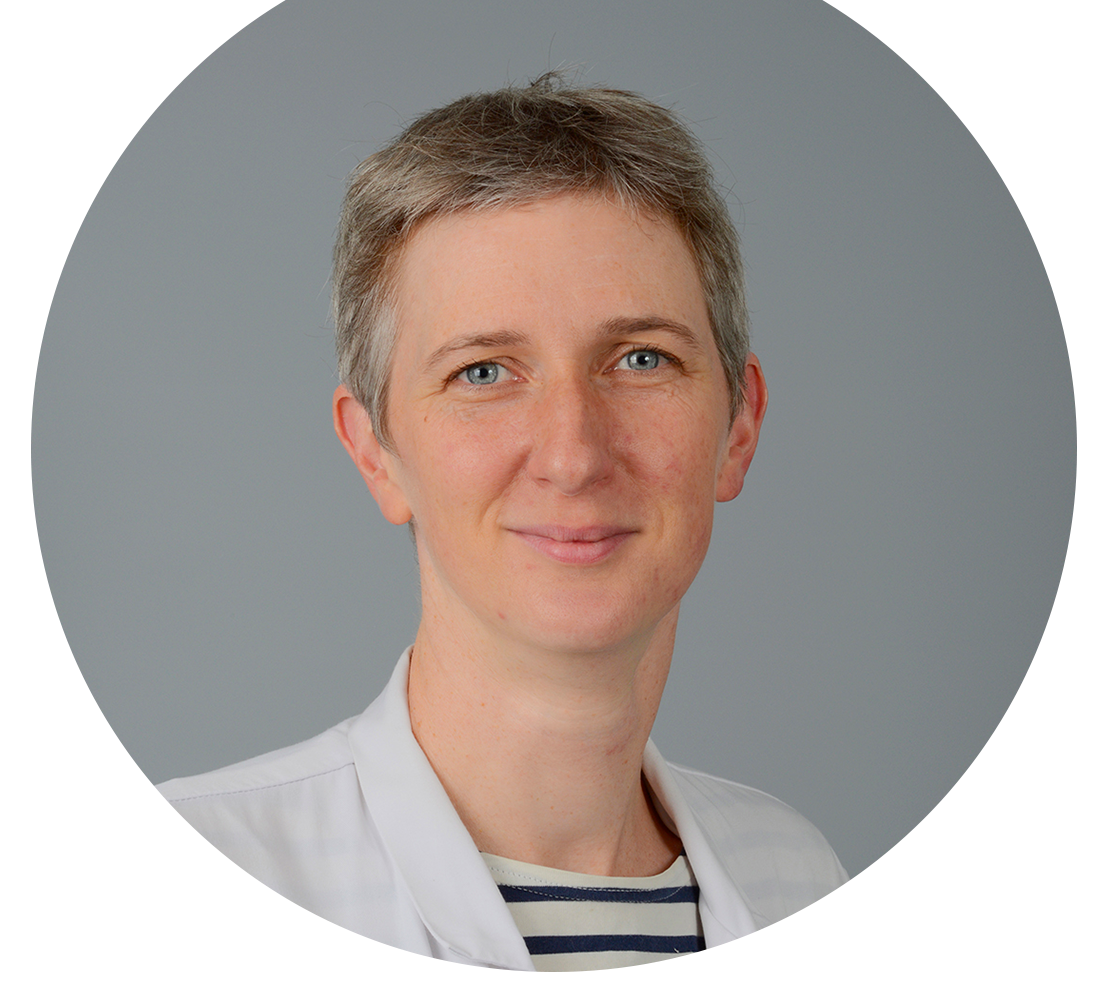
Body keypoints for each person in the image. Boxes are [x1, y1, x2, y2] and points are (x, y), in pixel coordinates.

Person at [32, 74, 881, 971]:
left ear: (739, 425)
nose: (573, 454)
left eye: (641, 358)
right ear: (375, 451)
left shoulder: (803, 896)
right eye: (483, 372)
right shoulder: (137, 914)